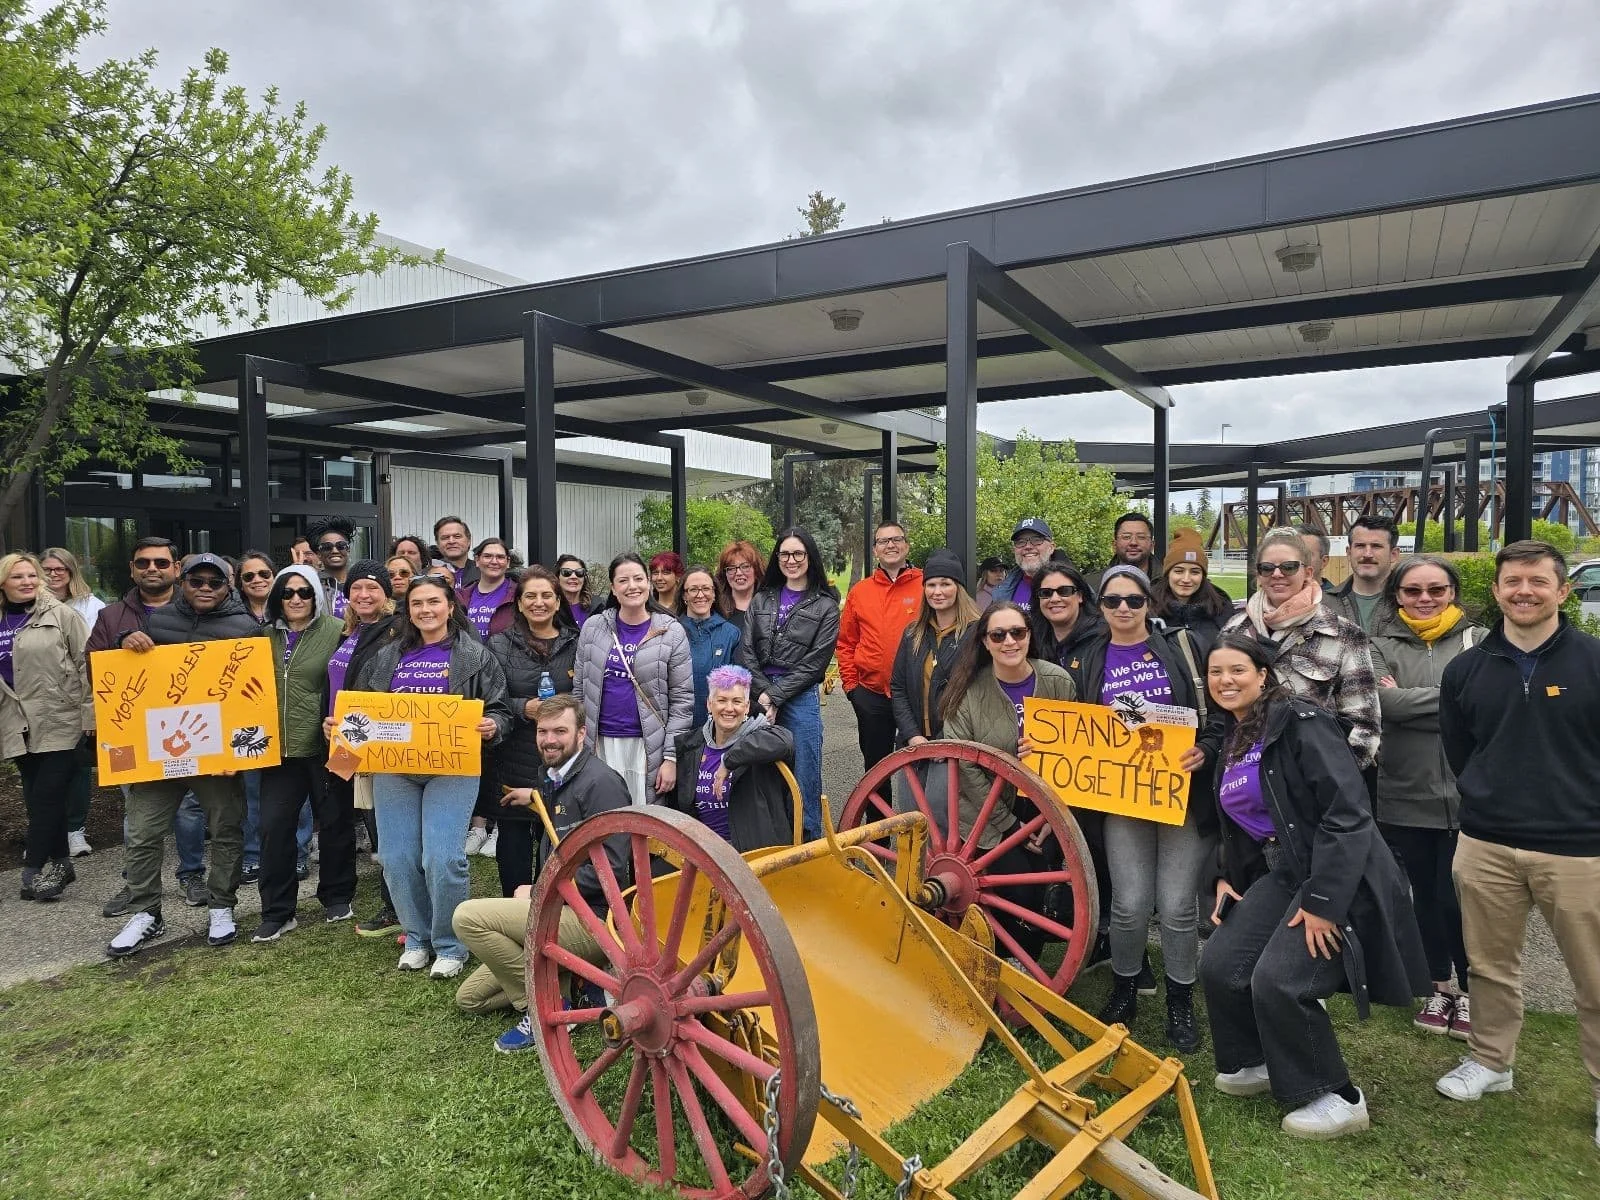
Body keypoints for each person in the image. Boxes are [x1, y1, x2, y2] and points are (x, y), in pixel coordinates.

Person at [1201, 632, 1428, 1140]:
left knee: (1281, 979)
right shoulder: (1236, 736)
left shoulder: (1303, 723)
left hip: (1337, 870)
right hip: (1281, 871)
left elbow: (1347, 816)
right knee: (1220, 964)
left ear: (1263, 675)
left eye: (1237, 670)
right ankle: (1256, 1061)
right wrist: (1223, 877)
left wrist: (1324, 903)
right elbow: (1237, 823)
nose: (1225, 680)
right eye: (1216, 672)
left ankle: (1336, 1096)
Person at [1434, 541, 1600, 1147]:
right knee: (1489, 964)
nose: (1523, 591)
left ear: (1562, 591)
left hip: (1579, 846)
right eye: (1511, 582)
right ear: (1497, 591)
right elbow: (1461, 750)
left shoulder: (1593, 662)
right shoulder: (1466, 670)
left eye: (1536, 581)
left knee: (1595, 976)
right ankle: (1491, 1061)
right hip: (1486, 841)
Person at [1066, 566, 1216, 1051]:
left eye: (1133, 600)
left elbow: (1217, 714)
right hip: (1121, 797)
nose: (1124, 609)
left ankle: (1180, 999)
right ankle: (1126, 986)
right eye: (1113, 601)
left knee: (1176, 906)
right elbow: (1075, 727)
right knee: (1129, 905)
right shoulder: (1089, 657)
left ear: (1149, 603)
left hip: (1179, 795)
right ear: (1101, 607)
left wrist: (1207, 751)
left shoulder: (1182, 648)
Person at [452, 694, 630, 1053]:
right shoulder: (550, 776)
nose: (549, 739)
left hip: (591, 920)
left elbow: (611, 869)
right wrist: (534, 797)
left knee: (467, 917)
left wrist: (539, 891)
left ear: (582, 734)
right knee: (470, 999)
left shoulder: (603, 784)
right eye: (543, 730)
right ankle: (568, 982)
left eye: (560, 731)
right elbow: (562, 819)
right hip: (554, 910)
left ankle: (546, 1007)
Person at [352, 574, 511, 976]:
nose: (425, 610)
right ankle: (417, 937)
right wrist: (344, 727)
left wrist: (492, 725)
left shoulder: (476, 657)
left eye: (433, 602)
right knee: (396, 857)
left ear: (450, 606)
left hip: (452, 769)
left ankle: (450, 944)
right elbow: (363, 707)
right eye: (417, 603)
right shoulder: (387, 657)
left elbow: (500, 708)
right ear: (408, 610)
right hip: (395, 769)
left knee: (442, 857)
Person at [106, 553, 261, 957]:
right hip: (160, 750)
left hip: (217, 753)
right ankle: (146, 913)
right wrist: (125, 642)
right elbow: (126, 674)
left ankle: (222, 906)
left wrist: (242, 752)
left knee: (226, 829)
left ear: (229, 586)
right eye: (197, 581)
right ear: (183, 582)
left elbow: (255, 694)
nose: (205, 588)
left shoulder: (246, 627)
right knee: (142, 832)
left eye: (215, 582)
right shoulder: (157, 622)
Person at [1368, 555, 1483, 1039]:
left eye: (1435, 589)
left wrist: (1410, 700)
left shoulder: (1478, 642)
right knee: (1426, 898)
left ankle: (1476, 992)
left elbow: (1481, 705)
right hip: (1405, 792)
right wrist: (1450, 698)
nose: (1425, 599)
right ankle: (1440, 986)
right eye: (1413, 591)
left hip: (1469, 794)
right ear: (1397, 596)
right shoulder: (1376, 645)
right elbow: (1382, 705)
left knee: (1462, 898)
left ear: (1452, 592)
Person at [938, 601, 1076, 963]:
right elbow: (965, 768)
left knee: (1045, 882)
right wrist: (1008, 822)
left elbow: (1079, 754)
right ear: (985, 642)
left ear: (1030, 635)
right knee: (1015, 888)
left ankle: (1027, 960)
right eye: (998, 635)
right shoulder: (967, 694)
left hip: (1045, 805)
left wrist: (1052, 815)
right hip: (987, 812)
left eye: (1018, 632)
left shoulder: (1057, 682)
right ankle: (1002, 961)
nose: (1009, 642)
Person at [88, 538, 208, 917]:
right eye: (143, 562)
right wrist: (123, 645)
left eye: (160, 562)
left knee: (189, 808)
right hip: (132, 729)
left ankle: (191, 874)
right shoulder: (110, 616)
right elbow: (93, 666)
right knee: (136, 811)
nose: (151, 568)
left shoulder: (198, 610)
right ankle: (136, 883)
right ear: (132, 569)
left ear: (176, 568)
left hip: (186, 728)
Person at [1222, 527, 1380, 772]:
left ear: (1307, 572)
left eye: (1288, 567)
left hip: (1313, 777)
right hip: (1244, 774)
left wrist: (1331, 777)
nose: (1277, 574)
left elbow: (1364, 725)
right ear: (1258, 574)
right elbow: (1218, 708)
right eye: (1267, 568)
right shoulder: (1234, 629)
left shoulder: (1344, 634)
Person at [253, 564, 347, 941]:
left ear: (316, 596)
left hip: (324, 746)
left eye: (304, 592)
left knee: (335, 821)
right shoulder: (261, 638)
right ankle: (277, 910)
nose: (295, 599)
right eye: (287, 592)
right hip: (278, 749)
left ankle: (337, 895)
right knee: (274, 829)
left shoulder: (337, 632)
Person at [737, 527, 838, 839]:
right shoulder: (762, 598)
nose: (791, 560)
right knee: (759, 772)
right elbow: (747, 650)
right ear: (776, 557)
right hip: (758, 691)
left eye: (798, 553)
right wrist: (764, 693)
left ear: (809, 557)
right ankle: (769, 840)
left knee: (805, 772)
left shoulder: (825, 605)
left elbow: (815, 663)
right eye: (784, 554)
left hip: (800, 696)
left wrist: (775, 697)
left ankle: (808, 843)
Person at [2, 552, 90, 902]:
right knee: (39, 797)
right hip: (16, 723)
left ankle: (33, 868)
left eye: (31, 575)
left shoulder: (61, 615)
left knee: (48, 795)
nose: (27, 581)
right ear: (3, 583)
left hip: (60, 718)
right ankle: (62, 864)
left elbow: (88, 664)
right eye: (17, 576)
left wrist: (91, 718)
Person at [323, 560, 404, 939]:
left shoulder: (394, 631)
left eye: (372, 588)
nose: (364, 595)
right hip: (345, 740)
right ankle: (392, 902)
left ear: (386, 594)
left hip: (374, 741)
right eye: (356, 589)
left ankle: (397, 907)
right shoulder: (350, 632)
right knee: (366, 822)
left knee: (384, 825)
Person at [486, 565, 579, 895]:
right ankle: (513, 910)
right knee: (513, 841)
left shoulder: (576, 643)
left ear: (557, 602)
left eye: (546, 596)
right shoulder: (498, 645)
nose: (539, 602)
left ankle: (550, 914)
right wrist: (524, 708)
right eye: (530, 596)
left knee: (556, 837)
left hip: (562, 755)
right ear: (519, 604)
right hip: (514, 753)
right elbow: (489, 698)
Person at [575, 553, 693, 808]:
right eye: (623, 580)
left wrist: (671, 758)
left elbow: (683, 701)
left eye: (639, 579)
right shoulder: (593, 628)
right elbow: (579, 690)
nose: (632, 586)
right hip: (601, 742)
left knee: (643, 820)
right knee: (602, 815)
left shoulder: (671, 632)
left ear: (648, 584)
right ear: (613, 588)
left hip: (647, 746)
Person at [667, 665, 796, 850]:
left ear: (747, 707)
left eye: (737, 701)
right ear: (709, 704)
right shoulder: (692, 746)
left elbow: (786, 742)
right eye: (721, 700)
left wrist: (729, 760)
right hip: (702, 851)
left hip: (750, 852)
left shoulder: (764, 736)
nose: (729, 708)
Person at [837, 521, 923, 773]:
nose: (890, 545)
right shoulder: (860, 592)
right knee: (876, 769)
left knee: (921, 763)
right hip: (871, 694)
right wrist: (852, 687)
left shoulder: (926, 585)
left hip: (915, 694)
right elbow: (846, 642)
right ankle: (878, 814)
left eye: (896, 539)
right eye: (883, 541)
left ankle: (920, 813)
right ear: (875, 550)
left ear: (906, 546)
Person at [39, 547, 103, 859]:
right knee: (41, 771)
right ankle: (45, 834)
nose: (53, 575)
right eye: (47, 569)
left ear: (71, 572)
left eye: (59, 569)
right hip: (40, 699)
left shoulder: (90, 606)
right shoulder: (24, 606)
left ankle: (75, 831)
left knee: (76, 767)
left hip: (78, 697)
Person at [890, 549, 978, 747]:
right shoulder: (913, 634)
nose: (937, 592)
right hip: (913, 743)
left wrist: (943, 738)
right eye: (931, 585)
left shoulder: (976, 634)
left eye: (945, 584)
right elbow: (898, 687)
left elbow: (976, 692)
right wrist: (912, 734)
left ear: (958, 588)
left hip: (955, 742)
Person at [1150, 527, 1233, 656]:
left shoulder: (1221, 609)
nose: (1186, 579)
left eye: (1195, 572)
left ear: (1203, 576)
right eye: (1179, 571)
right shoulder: (1148, 608)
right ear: (1168, 574)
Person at [680, 565, 741, 728]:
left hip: (719, 728)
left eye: (706, 588)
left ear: (714, 594)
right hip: (679, 727)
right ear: (684, 595)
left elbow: (739, 686)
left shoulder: (731, 634)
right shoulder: (672, 631)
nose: (700, 595)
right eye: (693, 590)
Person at [1326, 515, 1401, 634]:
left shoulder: (1410, 602)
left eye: (1376, 546)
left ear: (1393, 554)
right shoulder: (1324, 605)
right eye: (1360, 546)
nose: (1367, 554)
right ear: (1349, 553)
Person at [988, 517, 1060, 612]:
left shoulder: (1071, 588)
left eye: (1036, 540)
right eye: (1021, 542)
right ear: (1014, 550)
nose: (1028, 546)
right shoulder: (1003, 591)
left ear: (1051, 548)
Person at [459, 537, 517, 639]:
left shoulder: (518, 594)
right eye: (487, 556)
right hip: (470, 654)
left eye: (500, 557)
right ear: (477, 560)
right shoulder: (460, 596)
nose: (494, 561)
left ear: (507, 562)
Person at [1098, 512, 1159, 591]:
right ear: (1114, 544)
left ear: (1152, 545)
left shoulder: (1168, 582)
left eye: (1141, 537)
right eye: (1126, 537)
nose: (1133, 543)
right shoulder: (1091, 583)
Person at [308, 517, 355, 617]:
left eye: (341, 545)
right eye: (327, 547)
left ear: (348, 549)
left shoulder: (360, 582)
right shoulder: (311, 586)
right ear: (318, 553)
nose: (334, 551)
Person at [714, 539, 766, 619]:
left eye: (745, 567)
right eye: (731, 568)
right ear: (725, 574)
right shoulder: (716, 609)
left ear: (756, 570)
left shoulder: (769, 606)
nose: (738, 573)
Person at [433, 515, 477, 586]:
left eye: (457, 536)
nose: (451, 541)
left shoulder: (484, 573)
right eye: (445, 537)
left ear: (469, 540)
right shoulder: (427, 575)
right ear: (437, 543)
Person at [235, 550, 275, 625]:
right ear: (241, 584)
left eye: (264, 574)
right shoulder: (232, 615)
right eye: (248, 576)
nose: (257, 580)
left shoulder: (288, 611)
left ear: (274, 577)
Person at [554, 555, 592, 628]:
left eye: (579, 572)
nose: (574, 577)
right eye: (566, 572)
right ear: (557, 577)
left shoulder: (598, 607)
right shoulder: (551, 608)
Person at [1296, 525, 1334, 592]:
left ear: (1324, 561)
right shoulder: (1276, 597)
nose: (1297, 559)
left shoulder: (1336, 601)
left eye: (1306, 554)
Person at [648, 551, 686, 615]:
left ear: (678, 576)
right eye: (655, 573)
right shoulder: (647, 608)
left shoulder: (686, 608)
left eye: (665, 573)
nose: (659, 578)